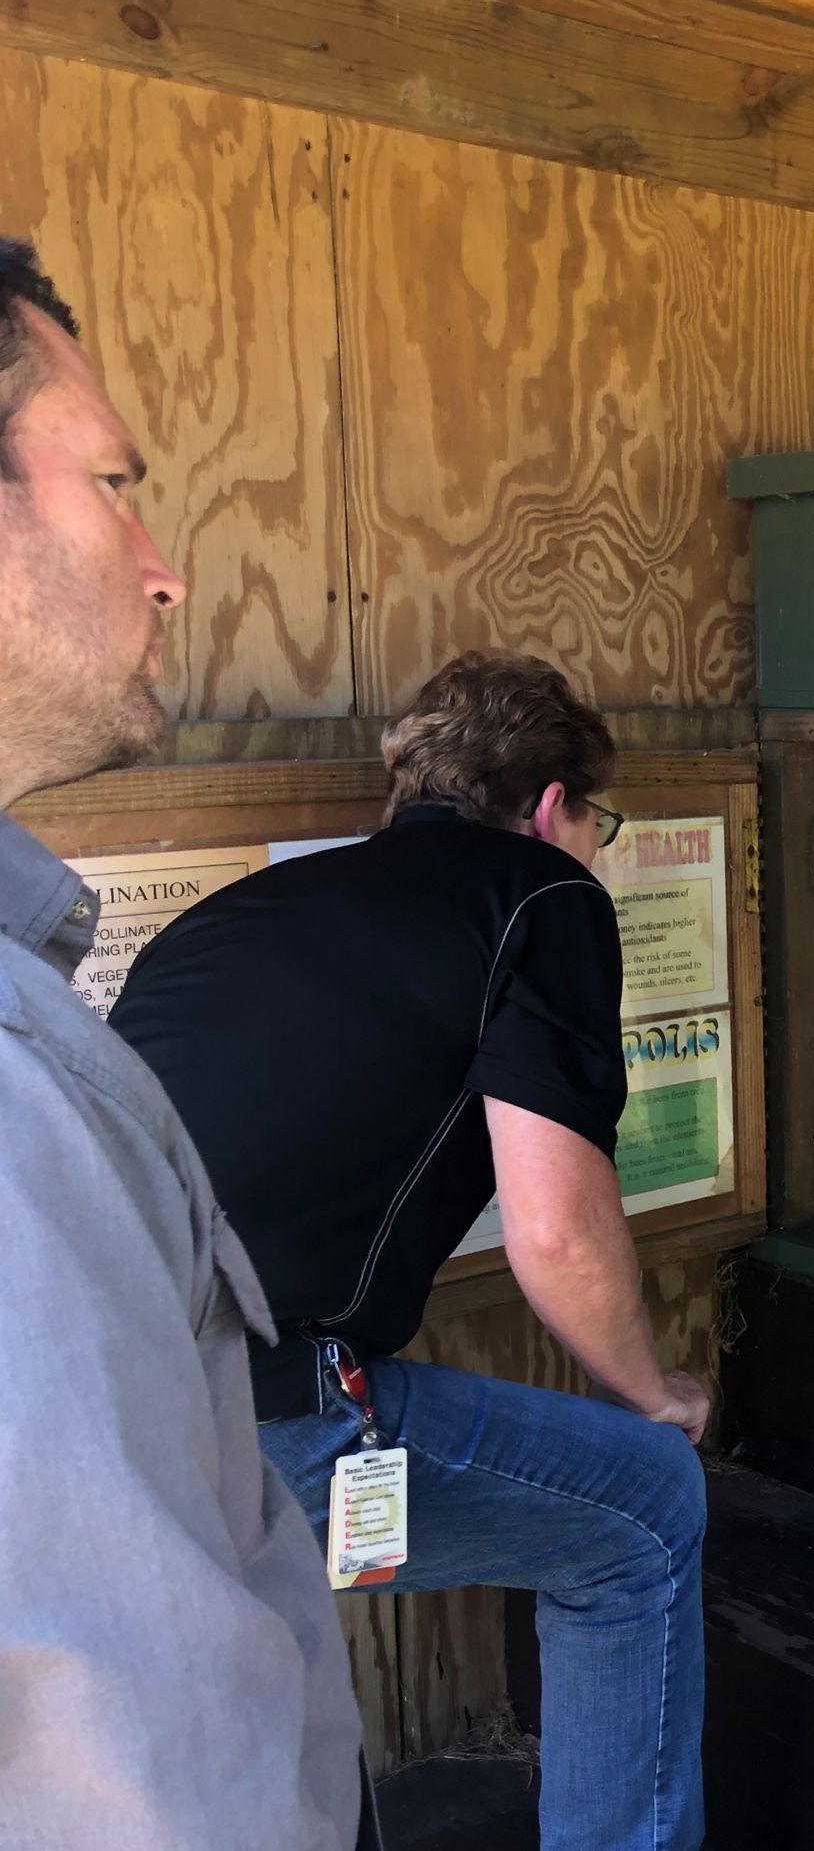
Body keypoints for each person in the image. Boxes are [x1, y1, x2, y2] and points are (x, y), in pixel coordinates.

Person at [110, 651, 710, 1851]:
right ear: (551, 806)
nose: (594, 845)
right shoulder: (541, 896)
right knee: (644, 1508)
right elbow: (556, 1227)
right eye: (600, 820)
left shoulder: (229, 917)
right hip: (272, 1418)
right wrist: (655, 1391)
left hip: (105, 1418)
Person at [0, 237, 366, 1847]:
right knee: (640, 1507)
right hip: (348, 1414)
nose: (163, 566)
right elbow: (131, 1769)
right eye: (111, 482)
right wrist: (664, 1403)